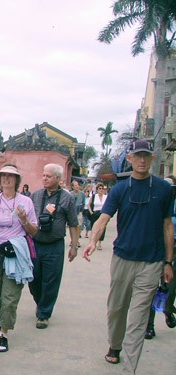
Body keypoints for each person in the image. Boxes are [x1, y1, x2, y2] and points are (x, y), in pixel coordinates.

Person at [83, 140, 174, 373]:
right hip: (123, 258)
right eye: (137, 156)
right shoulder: (120, 189)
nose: (142, 160)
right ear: (130, 159)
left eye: (146, 156)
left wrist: (168, 261)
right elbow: (103, 218)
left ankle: (130, 368)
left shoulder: (164, 189)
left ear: (153, 159)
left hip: (151, 262)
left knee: (139, 315)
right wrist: (93, 240)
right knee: (117, 308)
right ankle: (115, 345)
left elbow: (167, 226)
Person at [0, 164, 37, 352]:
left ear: (17, 180)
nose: (7, 179)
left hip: (15, 254)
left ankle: (3, 333)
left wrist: (24, 219)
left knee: (10, 298)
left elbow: (33, 231)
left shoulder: (25, 202)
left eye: (11, 176)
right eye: (3, 175)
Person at [29, 163, 79, 329]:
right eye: (43, 175)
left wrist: (74, 245)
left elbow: (73, 223)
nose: (44, 178)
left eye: (48, 176)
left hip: (55, 245)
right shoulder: (35, 196)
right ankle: (40, 302)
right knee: (34, 278)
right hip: (35, 244)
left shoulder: (67, 198)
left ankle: (44, 313)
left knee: (51, 280)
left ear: (58, 178)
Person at [145, 176, 176, 339]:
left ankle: (168, 309)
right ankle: (149, 325)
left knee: (170, 289)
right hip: (159, 249)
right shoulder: (157, 202)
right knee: (153, 288)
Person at [88, 182, 107, 250]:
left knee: (102, 228)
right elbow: (89, 204)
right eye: (100, 188)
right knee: (94, 228)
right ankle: (92, 242)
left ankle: (99, 244)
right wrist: (91, 212)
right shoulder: (94, 196)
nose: (101, 190)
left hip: (102, 214)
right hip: (95, 213)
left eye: (102, 188)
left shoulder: (106, 197)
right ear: (97, 190)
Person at [71, 180, 85, 246]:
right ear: (73, 187)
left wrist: (82, 210)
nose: (77, 186)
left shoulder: (82, 194)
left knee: (79, 226)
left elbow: (84, 203)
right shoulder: (70, 194)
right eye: (75, 185)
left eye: (77, 185)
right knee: (72, 226)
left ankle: (77, 240)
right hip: (72, 212)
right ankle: (72, 240)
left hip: (79, 211)